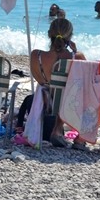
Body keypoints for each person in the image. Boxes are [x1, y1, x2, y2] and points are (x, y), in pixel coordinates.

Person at [29, 17, 88, 149]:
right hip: (70, 105)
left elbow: (40, 81)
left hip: (46, 101)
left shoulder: (35, 55)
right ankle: (78, 138)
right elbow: (85, 81)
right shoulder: (76, 57)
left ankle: (57, 127)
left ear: (49, 34)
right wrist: (75, 52)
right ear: (70, 36)